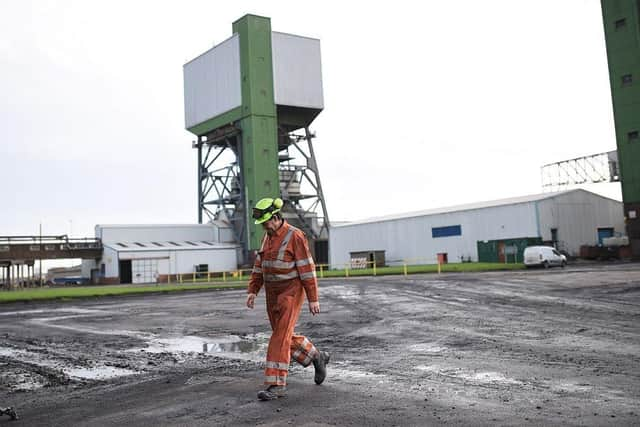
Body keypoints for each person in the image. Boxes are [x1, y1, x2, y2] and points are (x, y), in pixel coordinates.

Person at [246, 197, 330, 401]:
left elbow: (307, 269)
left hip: (291, 292)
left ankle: (276, 384)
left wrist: (313, 298)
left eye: (266, 222)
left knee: (279, 338)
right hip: (272, 294)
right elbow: (260, 266)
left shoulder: (296, 236)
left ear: (275, 218)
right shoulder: (267, 237)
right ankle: (317, 357)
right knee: (283, 336)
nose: (264, 227)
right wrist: (253, 290)